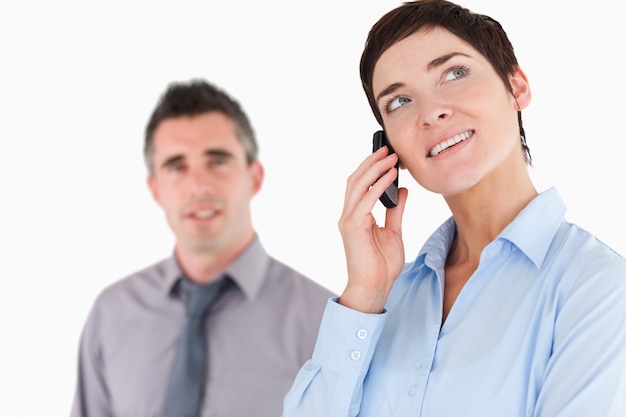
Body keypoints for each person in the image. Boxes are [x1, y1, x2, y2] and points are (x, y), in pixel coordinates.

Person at [282, 1, 626, 416]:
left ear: (516, 86)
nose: (431, 112)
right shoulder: (387, 299)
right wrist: (364, 295)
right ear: (390, 149)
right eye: (399, 102)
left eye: (454, 73)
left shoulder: (597, 288)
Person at [70, 79, 335, 417]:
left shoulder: (323, 323)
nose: (198, 185)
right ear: (155, 189)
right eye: (177, 166)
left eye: (218, 160)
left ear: (254, 176)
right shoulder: (112, 314)